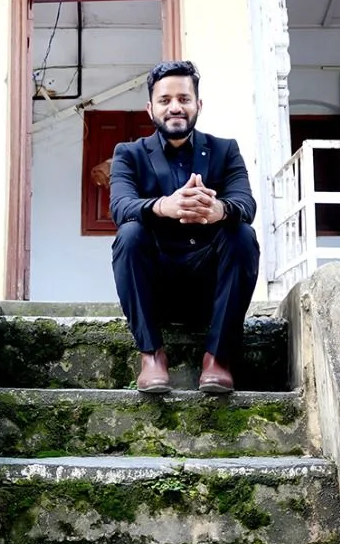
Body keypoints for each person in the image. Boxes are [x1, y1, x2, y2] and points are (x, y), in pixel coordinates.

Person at [109, 60, 259, 395]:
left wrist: (218, 210)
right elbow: (120, 207)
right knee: (129, 234)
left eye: (184, 99)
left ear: (198, 105)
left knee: (242, 234)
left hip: (210, 286)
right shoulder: (129, 154)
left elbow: (246, 205)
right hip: (156, 288)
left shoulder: (225, 150)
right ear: (150, 108)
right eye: (165, 100)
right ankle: (152, 355)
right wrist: (164, 206)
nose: (175, 107)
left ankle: (217, 358)